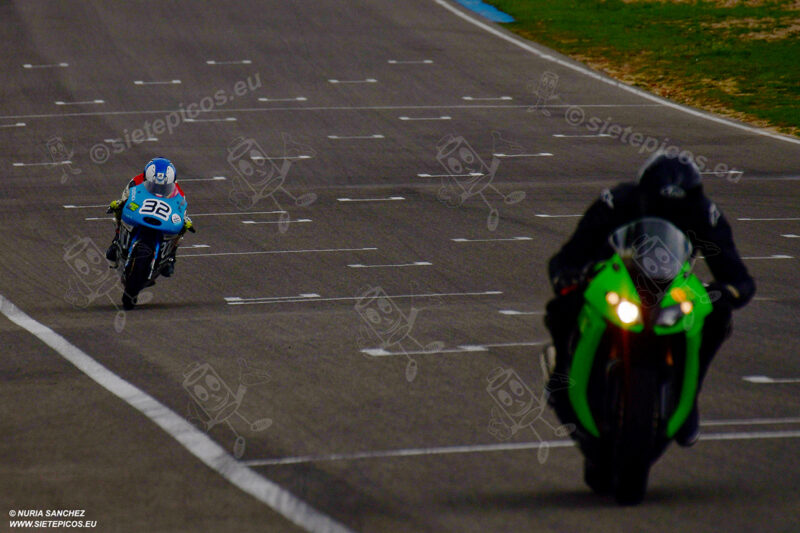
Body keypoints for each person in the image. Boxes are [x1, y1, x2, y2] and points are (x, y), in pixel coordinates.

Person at [544, 153, 755, 447]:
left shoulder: (704, 214)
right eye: (659, 206)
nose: (667, 214)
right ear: (643, 195)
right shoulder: (616, 202)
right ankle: (561, 376)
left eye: (675, 211)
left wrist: (723, 293)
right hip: (615, 279)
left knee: (717, 318)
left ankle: (688, 393)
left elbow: (736, 276)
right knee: (562, 307)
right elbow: (571, 254)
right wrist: (567, 276)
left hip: (672, 287)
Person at [105, 157, 193, 277]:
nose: (158, 189)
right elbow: (126, 198)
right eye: (154, 185)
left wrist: (184, 219)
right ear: (146, 178)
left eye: (163, 187)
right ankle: (117, 240)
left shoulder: (178, 191)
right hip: (141, 209)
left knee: (182, 229)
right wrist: (120, 203)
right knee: (119, 212)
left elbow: (181, 208)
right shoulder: (135, 182)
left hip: (162, 217)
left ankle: (171, 256)